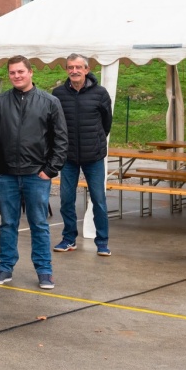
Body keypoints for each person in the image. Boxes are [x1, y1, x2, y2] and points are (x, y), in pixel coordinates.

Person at [0, 56, 68, 290]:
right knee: (7, 223)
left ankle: (45, 270)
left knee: (39, 224)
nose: (17, 76)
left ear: (31, 72)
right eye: (12, 72)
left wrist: (50, 170)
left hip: (36, 175)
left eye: (21, 71)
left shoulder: (49, 101)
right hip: (5, 175)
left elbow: (61, 140)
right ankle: (4, 267)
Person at [52, 53, 113, 257]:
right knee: (66, 199)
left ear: (86, 70)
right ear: (67, 69)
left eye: (79, 67)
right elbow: (54, 124)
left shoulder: (100, 93)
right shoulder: (58, 94)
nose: (74, 71)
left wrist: (95, 142)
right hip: (68, 157)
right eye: (70, 67)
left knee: (99, 200)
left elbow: (107, 123)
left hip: (93, 156)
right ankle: (69, 238)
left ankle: (102, 241)